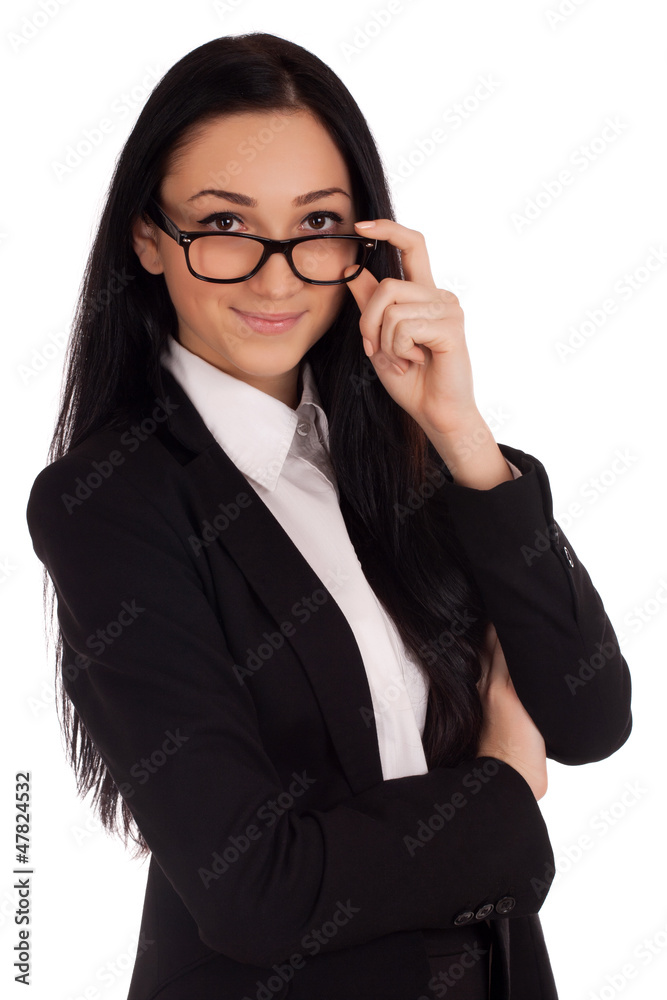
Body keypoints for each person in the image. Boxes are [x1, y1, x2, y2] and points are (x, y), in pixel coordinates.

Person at [25, 32, 632, 1000]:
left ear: (368, 244)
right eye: (224, 223)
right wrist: (503, 784)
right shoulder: (111, 502)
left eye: (318, 224)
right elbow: (255, 892)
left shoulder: (412, 460)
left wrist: (460, 431)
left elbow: (590, 715)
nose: (277, 277)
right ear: (148, 238)